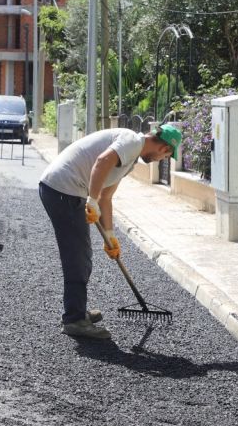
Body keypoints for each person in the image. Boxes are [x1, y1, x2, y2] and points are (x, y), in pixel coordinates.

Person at [38, 124, 181, 339]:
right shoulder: (132, 141)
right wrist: (91, 200)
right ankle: (74, 319)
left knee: (81, 256)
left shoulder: (130, 159)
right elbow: (102, 161)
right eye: (167, 156)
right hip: (63, 189)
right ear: (164, 149)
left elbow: (106, 196)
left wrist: (110, 235)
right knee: (78, 257)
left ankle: (77, 309)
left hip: (65, 189)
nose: (163, 160)